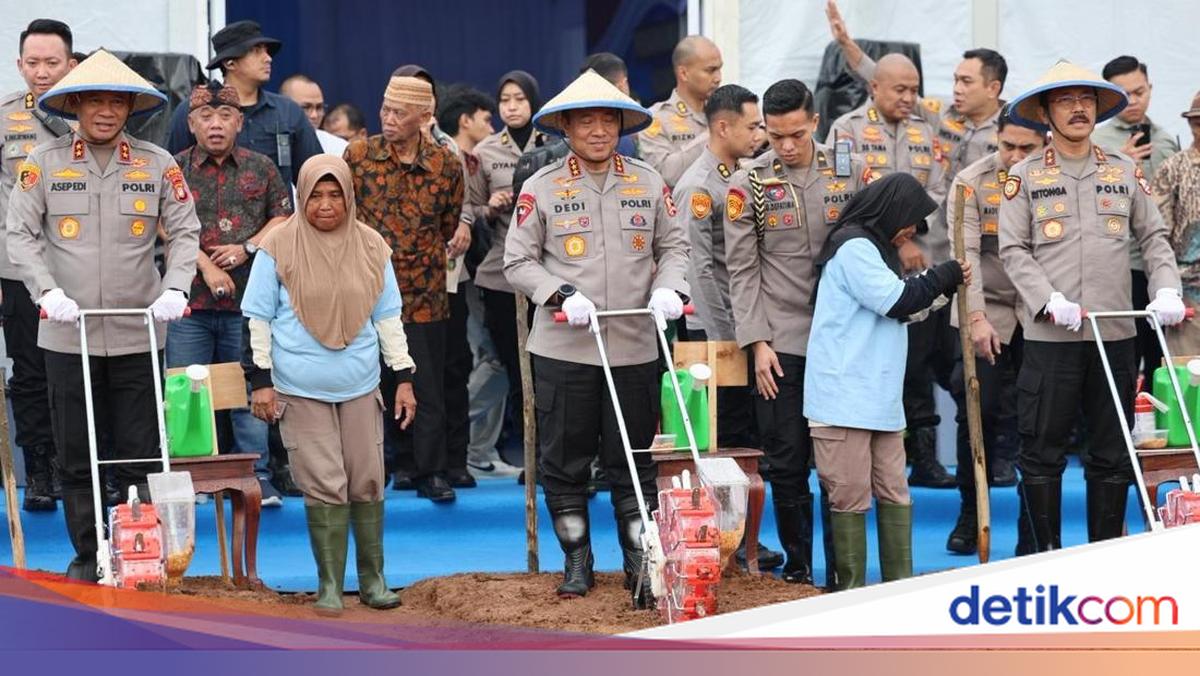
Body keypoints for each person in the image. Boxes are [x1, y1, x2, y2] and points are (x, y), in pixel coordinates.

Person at [6, 49, 200, 580]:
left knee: (140, 451)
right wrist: (45, 292)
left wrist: (176, 287)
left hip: (139, 329)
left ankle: (139, 551)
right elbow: (18, 235)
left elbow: (186, 232)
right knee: (75, 452)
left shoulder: (158, 163)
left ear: (130, 109)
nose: (107, 111)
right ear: (76, 106)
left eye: (118, 102)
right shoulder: (42, 163)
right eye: (96, 101)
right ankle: (89, 554)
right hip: (69, 331)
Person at [504, 70, 689, 606]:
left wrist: (669, 290)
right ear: (566, 127)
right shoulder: (540, 187)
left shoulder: (649, 181)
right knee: (565, 459)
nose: (599, 130)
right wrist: (561, 294)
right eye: (586, 120)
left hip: (634, 342)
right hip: (565, 348)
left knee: (631, 459)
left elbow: (675, 248)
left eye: (608, 120)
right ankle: (578, 561)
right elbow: (516, 261)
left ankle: (639, 562)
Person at [999, 60, 1184, 552]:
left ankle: (1105, 562)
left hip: (1115, 336)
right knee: (1041, 455)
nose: (1078, 108)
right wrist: (1047, 300)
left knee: (1112, 454)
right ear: (1045, 112)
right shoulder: (1024, 176)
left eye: (1086, 100)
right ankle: (1043, 562)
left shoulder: (1124, 172)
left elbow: (1155, 237)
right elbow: (1012, 250)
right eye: (1065, 100)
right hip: (1050, 338)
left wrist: (1166, 288)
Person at [242, 155, 416, 616]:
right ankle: (330, 586)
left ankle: (374, 581)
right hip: (299, 387)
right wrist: (261, 381)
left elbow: (389, 319)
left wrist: (402, 378)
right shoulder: (277, 245)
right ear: (301, 197)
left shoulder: (372, 245)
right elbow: (257, 319)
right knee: (325, 484)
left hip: (360, 384)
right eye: (315, 195)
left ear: (349, 196)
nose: (325, 204)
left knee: (367, 479)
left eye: (335, 194)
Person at [724, 79, 869, 587]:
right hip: (780, 342)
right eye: (776, 135)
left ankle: (844, 570)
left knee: (838, 460)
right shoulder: (750, 184)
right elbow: (741, 270)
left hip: (841, 341)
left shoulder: (849, 171)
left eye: (796, 134)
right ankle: (800, 568)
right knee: (785, 460)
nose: (785, 146)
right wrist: (756, 343)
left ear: (814, 122)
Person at [806, 173, 969, 590]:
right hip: (843, 399)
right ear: (891, 210)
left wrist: (940, 289)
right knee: (850, 498)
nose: (913, 230)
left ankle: (898, 588)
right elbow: (894, 300)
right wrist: (944, 275)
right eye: (911, 219)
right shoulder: (855, 246)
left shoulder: (877, 249)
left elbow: (908, 307)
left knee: (895, 492)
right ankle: (850, 597)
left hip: (879, 399)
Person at [828, 52, 956, 489]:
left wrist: (914, 233)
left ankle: (925, 455)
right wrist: (899, 241)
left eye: (914, 89)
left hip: (924, 261)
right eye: (899, 89)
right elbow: (845, 192)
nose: (908, 97)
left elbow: (939, 189)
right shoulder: (846, 130)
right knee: (896, 361)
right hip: (872, 262)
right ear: (874, 88)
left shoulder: (926, 129)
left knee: (923, 358)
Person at [169, 81, 292, 506]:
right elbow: (161, 224)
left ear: (240, 123)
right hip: (190, 303)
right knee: (186, 389)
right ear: (191, 123)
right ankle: (189, 477)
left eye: (225, 117)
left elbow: (284, 217)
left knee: (247, 390)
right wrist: (203, 262)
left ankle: (255, 477)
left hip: (248, 302)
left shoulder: (262, 167)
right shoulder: (174, 168)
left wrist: (247, 247)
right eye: (206, 117)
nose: (215, 125)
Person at [344, 75, 464, 502]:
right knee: (371, 381)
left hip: (424, 289)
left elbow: (449, 222)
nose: (388, 119)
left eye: (399, 112)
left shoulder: (446, 163)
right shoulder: (358, 156)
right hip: (367, 289)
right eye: (385, 109)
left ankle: (431, 470)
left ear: (425, 117)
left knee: (425, 382)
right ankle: (392, 466)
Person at [943, 109, 1044, 555]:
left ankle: (1034, 521)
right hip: (987, 309)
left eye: (1027, 148)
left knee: (1038, 419)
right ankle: (971, 513)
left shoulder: (1055, 178)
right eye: (1008, 146)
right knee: (975, 412)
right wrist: (977, 318)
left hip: (1041, 310)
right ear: (996, 139)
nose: (1016, 156)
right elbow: (964, 259)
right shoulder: (970, 181)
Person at [0, 18, 76, 512]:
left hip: (80, 267)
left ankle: (81, 464)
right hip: (18, 270)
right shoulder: (6, 117)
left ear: (71, 64)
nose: (42, 73)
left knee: (77, 369)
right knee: (28, 371)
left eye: (52, 63)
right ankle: (42, 467)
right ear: (19, 64)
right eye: (33, 63)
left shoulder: (94, 113)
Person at [437, 85, 521, 479]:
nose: (494, 123)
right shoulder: (456, 157)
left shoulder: (471, 157)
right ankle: (450, 432)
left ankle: (478, 448)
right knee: (492, 359)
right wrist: (488, 208)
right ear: (466, 120)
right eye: (488, 117)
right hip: (471, 272)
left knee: (496, 361)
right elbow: (464, 213)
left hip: (482, 269)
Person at [474, 70, 547, 471]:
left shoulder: (555, 146)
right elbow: (468, 213)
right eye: (505, 100)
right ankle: (529, 457)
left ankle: (551, 456)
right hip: (501, 276)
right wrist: (490, 208)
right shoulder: (485, 151)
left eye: (519, 98)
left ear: (533, 102)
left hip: (547, 276)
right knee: (517, 372)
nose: (512, 106)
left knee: (547, 370)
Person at [1094, 56, 1182, 390]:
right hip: (1118, 264)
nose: (1133, 101)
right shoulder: (1097, 142)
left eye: (1139, 91)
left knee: (1162, 354)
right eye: (1123, 94)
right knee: (1123, 356)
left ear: (1150, 89)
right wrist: (1120, 163)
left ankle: (1162, 432)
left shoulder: (1164, 139)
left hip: (1161, 263)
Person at [166, 20, 321, 185]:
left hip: (276, 210)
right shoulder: (194, 110)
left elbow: (314, 177)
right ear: (230, 63)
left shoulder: (288, 111)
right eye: (256, 51)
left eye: (267, 51)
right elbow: (172, 174)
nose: (268, 58)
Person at [1150, 92, 1200, 356]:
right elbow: (1156, 236)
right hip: (1190, 294)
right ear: (1192, 125)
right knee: (1187, 380)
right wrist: (1168, 291)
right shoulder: (1173, 169)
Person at [638, 36, 723, 187]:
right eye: (710, 70)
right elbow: (665, 174)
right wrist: (716, 134)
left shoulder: (725, 113)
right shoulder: (656, 118)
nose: (718, 78)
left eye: (719, 69)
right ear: (683, 73)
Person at [580, 53, 637, 158]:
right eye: (587, 122)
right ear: (622, 84)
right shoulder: (622, 140)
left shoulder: (567, 124)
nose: (599, 132)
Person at [280, 73, 348, 156]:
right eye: (306, 107)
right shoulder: (266, 142)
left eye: (319, 107)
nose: (314, 115)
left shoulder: (339, 148)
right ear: (283, 107)